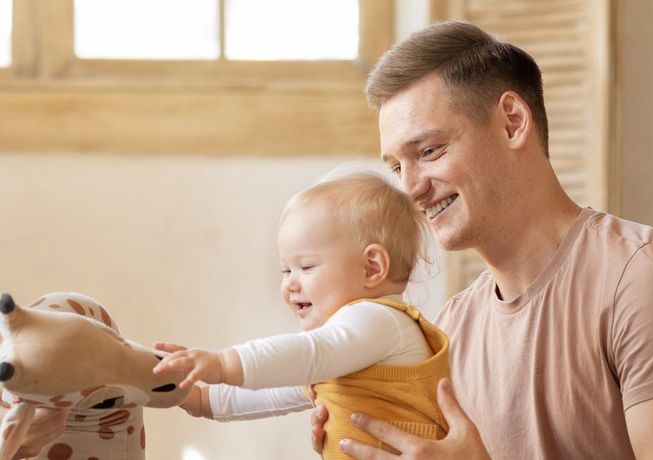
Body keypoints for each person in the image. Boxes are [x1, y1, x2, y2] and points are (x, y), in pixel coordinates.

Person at [311, 21, 653, 459]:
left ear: (512, 122)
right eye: (396, 167)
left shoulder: (647, 282)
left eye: (430, 151)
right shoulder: (452, 330)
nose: (411, 188)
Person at [152, 170, 450, 459]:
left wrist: (222, 363)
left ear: (371, 267)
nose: (290, 283)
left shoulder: (380, 321)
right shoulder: (348, 353)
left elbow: (310, 353)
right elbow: (273, 393)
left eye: (306, 266)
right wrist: (199, 399)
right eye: (286, 270)